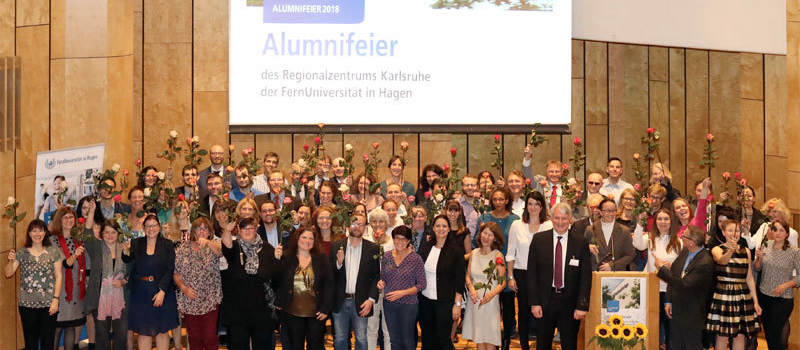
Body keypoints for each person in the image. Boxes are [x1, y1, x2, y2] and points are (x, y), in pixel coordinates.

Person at [528, 202, 592, 350]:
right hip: (544, 302)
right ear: (551, 218)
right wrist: (534, 302)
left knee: (570, 345)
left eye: (564, 218)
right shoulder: (539, 240)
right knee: (542, 344)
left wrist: (582, 305)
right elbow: (532, 274)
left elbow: (585, 277)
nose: (560, 222)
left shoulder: (580, 242)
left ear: (570, 219)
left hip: (570, 303)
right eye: (557, 218)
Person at [219, 218, 279, 350]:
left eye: (251, 228)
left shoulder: (267, 248)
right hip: (237, 311)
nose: (247, 231)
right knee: (238, 344)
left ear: (256, 229)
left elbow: (275, 274)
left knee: (263, 345)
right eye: (244, 228)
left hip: (262, 309)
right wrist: (227, 230)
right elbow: (226, 244)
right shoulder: (234, 247)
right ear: (239, 231)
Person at [122, 214, 179, 350]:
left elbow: (170, 269)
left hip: (162, 291)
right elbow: (128, 261)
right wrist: (125, 252)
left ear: (159, 227)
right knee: (143, 331)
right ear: (144, 228)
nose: (151, 228)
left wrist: (162, 291)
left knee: (162, 330)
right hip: (141, 292)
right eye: (148, 226)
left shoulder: (167, 245)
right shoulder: (136, 243)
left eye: (154, 225)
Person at [5, 220, 63, 350]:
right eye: (34, 230)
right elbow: (8, 274)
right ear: (29, 233)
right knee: (30, 343)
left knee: (47, 343)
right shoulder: (22, 253)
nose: (37, 234)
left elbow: (59, 277)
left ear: (45, 232)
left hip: (49, 305)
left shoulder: (53, 251)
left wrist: (56, 299)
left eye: (40, 230)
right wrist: (10, 261)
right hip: (27, 305)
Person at [655, 226, 715, 350]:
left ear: (692, 242)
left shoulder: (705, 262)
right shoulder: (685, 251)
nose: (681, 237)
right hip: (676, 310)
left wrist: (661, 269)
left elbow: (684, 284)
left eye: (684, 236)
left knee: (692, 346)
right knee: (674, 346)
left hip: (692, 314)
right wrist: (668, 300)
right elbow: (674, 275)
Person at [706, 220, 761, 350]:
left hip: (742, 294)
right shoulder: (717, 249)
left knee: (740, 334)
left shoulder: (746, 251)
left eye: (736, 231)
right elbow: (722, 261)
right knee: (722, 334)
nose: (734, 233)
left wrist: (756, 302)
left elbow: (749, 278)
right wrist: (730, 250)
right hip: (724, 294)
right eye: (730, 230)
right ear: (724, 232)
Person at [475, 187, 519, 348]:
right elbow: (477, 241)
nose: (498, 202)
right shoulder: (485, 217)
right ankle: (490, 338)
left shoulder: (515, 219)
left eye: (502, 199)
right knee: (489, 307)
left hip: (506, 267)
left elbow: (517, 244)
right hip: (486, 268)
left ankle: (506, 339)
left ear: (507, 200)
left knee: (507, 307)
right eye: (495, 199)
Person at [506, 192, 552, 350]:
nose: (533, 207)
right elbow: (511, 253)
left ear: (542, 207)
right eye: (530, 204)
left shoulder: (549, 225)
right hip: (522, 273)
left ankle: (542, 346)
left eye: (537, 204)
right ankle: (524, 346)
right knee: (524, 314)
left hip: (544, 275)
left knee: (543, 313)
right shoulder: (517, 225)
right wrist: (510, 277)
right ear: (526, 206)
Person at [276, 227, 334, 350]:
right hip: (292, 311)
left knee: (316, 345)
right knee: (295, 345)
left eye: (311, 238)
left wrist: (325, 308)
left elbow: (329, 284)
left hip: (317, 313)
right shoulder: (286, 257)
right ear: (297, 239)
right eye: (304, 237)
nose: (307, 241)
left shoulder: (321, 258)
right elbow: (277, 280)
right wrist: (280, 301)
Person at [632, 209, 682, 348]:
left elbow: (682, 267)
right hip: (652, 289)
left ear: (671, 222)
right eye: (659, 219)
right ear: (655, 222)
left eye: (666, 219)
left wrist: (670, 265)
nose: (663, 222)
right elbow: (637, 244)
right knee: (652, 326)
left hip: (669, 291)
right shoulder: (650, 238)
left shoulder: (679, 242)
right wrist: (640, 224)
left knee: (669, 327)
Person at [330, 214, 381, 350]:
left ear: (365, 228)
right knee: (340, 338)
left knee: (361, 338)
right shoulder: (336, 246)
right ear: (347, 225)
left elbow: (376, 276)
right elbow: (330, 275)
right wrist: (338, 263)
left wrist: (371, 300)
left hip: (362, 301)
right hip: (340, 300)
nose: (357, 227)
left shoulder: (372, 248)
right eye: (354, 223)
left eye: (361, 224)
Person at [174, 217, 223, 350]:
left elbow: (219, 252)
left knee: (210, 336)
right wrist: (184, 288)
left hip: (210, 299)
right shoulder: (183, 248)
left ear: (209, 232)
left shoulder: (213, 245)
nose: (201, 231)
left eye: (205, 228)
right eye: (198, 228)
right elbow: (176, 274)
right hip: (190, 299)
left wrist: (207, 242)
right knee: (194, 337)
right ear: (193, 230)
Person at [418, 215, 466, 350]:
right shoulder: (426, 247)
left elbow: (459, 280)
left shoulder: (456, 250)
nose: (441, 229)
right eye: (437, 225)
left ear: (449, 229)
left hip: (445, 302)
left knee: (443, 339)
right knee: (427, 338)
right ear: (433, 228)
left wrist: (457, 304)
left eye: (444, 226)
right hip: (425, 301)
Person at [752, 219, 800, 350]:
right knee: (768, 334)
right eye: (775, 229)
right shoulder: (766, 245)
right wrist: (758, 259)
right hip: (764, 296)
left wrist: (786, 285)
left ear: (786, 234)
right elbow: (757, 268)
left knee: (774, 333)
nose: (777, 233)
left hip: (782, 299)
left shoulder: (794, 252)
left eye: (781, 230)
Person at [378, 226, 425, 350]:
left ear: (409, 240)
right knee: (394, 340)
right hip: (389, 304)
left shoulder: (416, 259)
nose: (400, 242)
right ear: (393, 239)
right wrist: (381, 283)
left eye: (404, 239)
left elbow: (422, 284)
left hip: (408, 305)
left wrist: (402, 293)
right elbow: (383, 277)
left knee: (407, 339)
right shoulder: (387, 256)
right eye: (397, 238)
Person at [84, 220, 128, 350]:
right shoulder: (96, 247)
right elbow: (87, 232)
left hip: (122, 300)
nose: (110, 235)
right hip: (100, 298)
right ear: (101, 233)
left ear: (118, 233)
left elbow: (133, 269)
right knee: (102, 335)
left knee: (121, 335)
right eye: (106, 232)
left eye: (113, 232)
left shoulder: (125, 248)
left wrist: (123, 281)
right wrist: (91, 211)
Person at [463, 222, 506, 350]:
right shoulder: (474, 253)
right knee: (478, 337)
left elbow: (502, 282)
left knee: (490, 338)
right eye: (485, 233)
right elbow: (468, 277)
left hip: (490, 301)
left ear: (495, 238)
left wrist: (491, 295)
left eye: (490, 235)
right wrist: (471, 289)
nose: (486, 237)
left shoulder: (498, 256)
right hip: (475, 300)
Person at [49, 207, 88, 350]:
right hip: (60, 289)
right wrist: (75, 255)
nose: (69, 220)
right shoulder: (52, 240)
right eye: (65, 217)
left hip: (76, 290)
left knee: (71, 326)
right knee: (57, 328)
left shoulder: (79, 238)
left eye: (71, 217)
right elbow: (65, 263)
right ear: (59, 220)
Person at [364, 208, 393, 350]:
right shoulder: (366, 242)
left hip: (389, 289)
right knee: (371, 328)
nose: (378, 224)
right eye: (374, 221)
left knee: (388, 330)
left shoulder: (393, 242)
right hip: (372, 290)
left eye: (381, 221)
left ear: (387, 224)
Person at [584, 198, 634, 271]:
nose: (611, 214)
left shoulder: (624, 230)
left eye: (613, 211)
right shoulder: (590, 230)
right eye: (607, 211)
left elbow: (630, 255)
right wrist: (587, 247)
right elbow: (581, 252)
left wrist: (613, 265)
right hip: (595, 273)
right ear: (600, 212)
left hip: (616, 274)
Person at [457, 174, 480, 238]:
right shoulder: (456, 203)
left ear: (478, 187)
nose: (470, 188)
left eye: (473, 185)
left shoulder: (485, 204)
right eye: (466, 185)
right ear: (462, 187)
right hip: (460, 243)